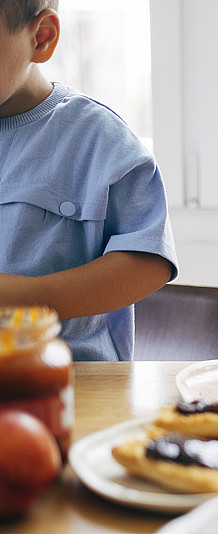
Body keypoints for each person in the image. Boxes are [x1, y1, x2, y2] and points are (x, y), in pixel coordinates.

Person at [0, 1, 178, 361]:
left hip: (76, 383)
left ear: (42, 37)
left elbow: (147, 263)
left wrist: (22, 299)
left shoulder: (97, 137)